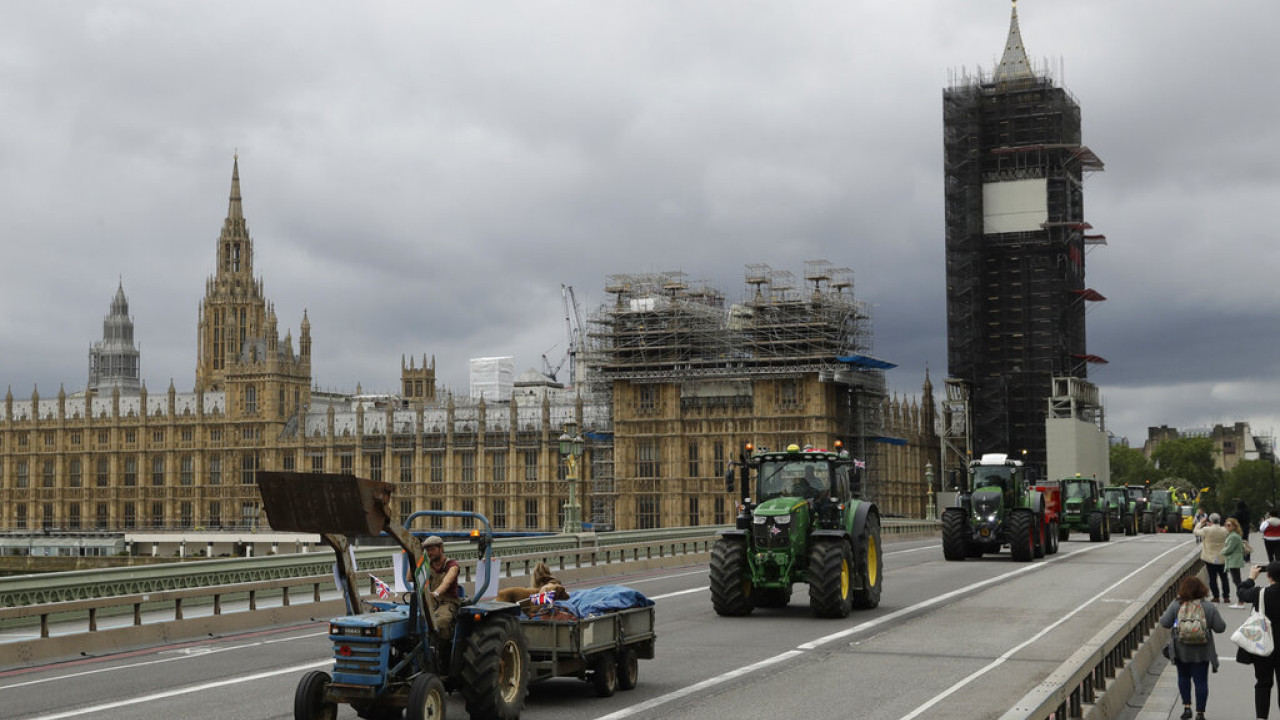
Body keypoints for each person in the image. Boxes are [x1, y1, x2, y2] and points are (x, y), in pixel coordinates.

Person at [1160, 575, 1226, 720]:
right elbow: (1220, 628)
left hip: (1181, 651)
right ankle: (1200, 712)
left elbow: (1165, 623)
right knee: (1201, 681)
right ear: (1203, 590)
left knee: (1183, 677)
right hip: (1202, 652)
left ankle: (1187, 708)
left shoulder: (1176, 605)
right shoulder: (1208, 607)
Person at [1236, 562, 1280, 720]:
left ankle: (1261, 717)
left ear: (1269, 576)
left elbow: (1241, 593)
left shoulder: (1260, 593)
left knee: (1263, 683)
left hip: (1263, 645)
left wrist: (1250, 578)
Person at [422, 535, 461, 639]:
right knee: (414, 621)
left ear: (441, 548)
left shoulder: (452, 565)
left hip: (447, 602)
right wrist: (418, 559)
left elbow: (446, 582)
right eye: (427, 550)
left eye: (432, 549)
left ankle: (442, 652)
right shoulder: (427, 564)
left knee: (440, 622)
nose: (430, 553)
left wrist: (435, 593)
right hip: (430, 602)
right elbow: (409, 578)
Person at [1195, 513, 1231, 603]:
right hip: (1222, 557)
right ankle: (1226, 596)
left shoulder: (1207, 530)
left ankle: (1216, 596)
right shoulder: (1225, 530)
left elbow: (1196, 531)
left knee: (1212, 577)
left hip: (1210, 557)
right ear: (1219, 520)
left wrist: (1201, 523)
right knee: (1224, 578)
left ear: (1210, 521)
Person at [1224, 517, 1247, 608]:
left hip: (1234, 560)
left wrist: (1221, 552)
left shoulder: (1233, 536)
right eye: (1226, 525)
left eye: (1229, 525)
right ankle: (1241, 600)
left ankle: (1241, 601)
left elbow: (1229, 549)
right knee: (1237, 580)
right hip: (1235, 560)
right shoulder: (1234, 535)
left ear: (1234, 526)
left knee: (1237, 581)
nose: (1226, 526)